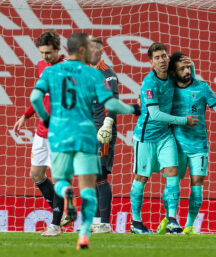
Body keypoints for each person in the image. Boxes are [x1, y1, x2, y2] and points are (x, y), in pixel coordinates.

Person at [30, 32, 140, 250]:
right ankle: (84, 235)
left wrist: (47, 119)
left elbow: (35, 98)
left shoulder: (51, 71)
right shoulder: (92, 75)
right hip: (85, 134)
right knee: (89, 185)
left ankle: (68, 195)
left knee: (61, 180)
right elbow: (113, 104)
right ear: (82, 50)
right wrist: (134, 109)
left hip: (60, 134)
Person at [156, 52, 216, 235]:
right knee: (171, 184)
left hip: (199, 145)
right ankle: (169, 218)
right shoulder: (169, 89)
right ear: (174, 72)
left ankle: (190, 226)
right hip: (175, 145)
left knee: (197, 186)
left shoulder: (202, 87)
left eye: (189, 67)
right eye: (182, 68)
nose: (187, 71)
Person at [130, 42, 199, 234]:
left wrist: (191, 67)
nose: (162, 60)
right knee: (141, 178)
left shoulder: (171, 75)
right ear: (151, 62)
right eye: (157, 58)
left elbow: (188, 80)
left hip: (165, 135)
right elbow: (155, 115)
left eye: (164, 56)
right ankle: (136, 221)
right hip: (145, 137)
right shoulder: (149, 83)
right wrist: (183, 120)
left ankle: (172, 219)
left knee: (173, 174)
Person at [13, 30, 69, 236]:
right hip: (41, 131)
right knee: (36, 174)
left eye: (48, 53)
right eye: (42, 53)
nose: (44, 56)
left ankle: (55, 224)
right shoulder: (41, 66)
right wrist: (25, 116)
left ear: (58, 50)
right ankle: (63, 211)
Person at [89, 37, 119, 233]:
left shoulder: (107, 73)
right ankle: (96, 221)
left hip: (103, 131)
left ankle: (105, 223)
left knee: (100, 175)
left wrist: (107, 124)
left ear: (100, 51)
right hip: (89, 131)